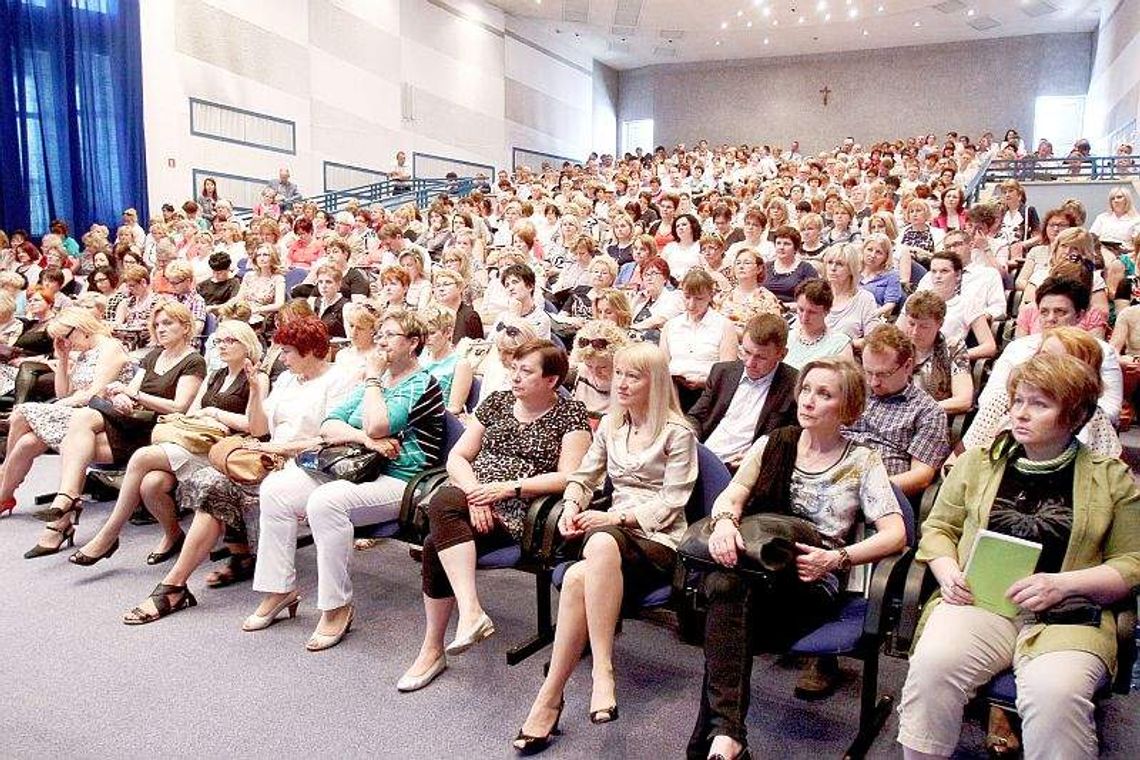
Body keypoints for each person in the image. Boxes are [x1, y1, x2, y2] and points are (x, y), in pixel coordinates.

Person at [896, 352, 1140, 760]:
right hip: (980, 600)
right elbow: (938, 529)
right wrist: (947, 570)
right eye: (1018, 401)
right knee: (933, 665)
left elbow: (1132, 562)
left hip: (1067, 613)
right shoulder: (977, 462)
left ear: (1075, 415)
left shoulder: (1111, 477)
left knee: (1056, 695)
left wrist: (1063, 584)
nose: (1021, 414)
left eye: (1039, 404)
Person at [687, 357, 907, 760]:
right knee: (727, 588)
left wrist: (837, 558)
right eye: (806, 389)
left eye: (824, 394)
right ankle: (726, 740)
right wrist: (723, 524)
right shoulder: (773, 443)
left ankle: (718, 737)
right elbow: (732, 496)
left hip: (812, 579)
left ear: (848, 406)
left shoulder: (862, 461)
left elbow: (896, 534)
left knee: (724, 601)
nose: (808, 400)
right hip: (760, 566)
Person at [514, 343, 698, 752]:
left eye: (634, 376)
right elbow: (583, 476)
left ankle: (600, 669)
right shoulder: (614, 425)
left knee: (597, 542)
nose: (622, 383)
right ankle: (550, 697)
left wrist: (613, 519)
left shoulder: (677, 433)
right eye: (618, 374)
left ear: (655, 383)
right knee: (580, 572)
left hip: (658, 540)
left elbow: (672, 503)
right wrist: (572, 505)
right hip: (609, 547)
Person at [120, 315, 356, 623]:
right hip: (270, 457)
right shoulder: (286, 379)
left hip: (308, 462)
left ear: (309, 350)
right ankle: (178, 584)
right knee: (213, 485)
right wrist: (257, 393)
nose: (281, 358)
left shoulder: (340, 379)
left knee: (216, 486)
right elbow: (259, 429)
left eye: (286, 351)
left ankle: (177, 586)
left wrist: (279, 448)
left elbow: (332, 436)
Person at [397, 340, 591, 692]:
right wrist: (476, 496)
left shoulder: (570, 413)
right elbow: (458, 457)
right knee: (440, 519)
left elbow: (569, 476)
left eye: (526, 371)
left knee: (434, 535)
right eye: (513, 369)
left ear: (551, 380)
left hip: (521, 511)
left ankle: (436, 646)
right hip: (472, 500)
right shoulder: (498, 401)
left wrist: (506, 489)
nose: (515, 377)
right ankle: (465, 617)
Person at [247, 309, 444, 649]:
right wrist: (366, 441)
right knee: (276, 489)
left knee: (326, 502)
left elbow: (380, 425)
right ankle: (280, 588)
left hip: (402, 481)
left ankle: (337, 606)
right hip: (358, 467)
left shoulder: (421, 382)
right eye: (378, 334)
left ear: (413, 344)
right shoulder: (381, 381)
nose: (380, 341)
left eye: (390, 335)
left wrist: (370, 383)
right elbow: (330, 423)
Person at [67, 321, 265, 565]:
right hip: (196, 440)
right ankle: (173, 535)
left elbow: (254, 426)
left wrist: (214, 413)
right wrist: (205, 414)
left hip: (224, 448)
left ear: (247, 344)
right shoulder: (216, 375)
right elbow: (191, 412)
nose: (222, 346)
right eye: (219, 341)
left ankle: (109, 534)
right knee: (152, 484)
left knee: (142, 457)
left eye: (229, 341)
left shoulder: (257, 377)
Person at [23, 302, 207, 558]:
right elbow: (130, 391)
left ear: (185, 327)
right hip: (131, 420)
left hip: (157, 429)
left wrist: (134, 395)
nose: (160, 329)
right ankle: (67, 501)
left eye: (168, 323)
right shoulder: (153, 355)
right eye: (157, 324)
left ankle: (65, 509)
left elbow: (178, 407)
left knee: (78, 429)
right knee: (77, 434)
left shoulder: (193, 361)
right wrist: (119, 395)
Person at [0, 309, 131, 517]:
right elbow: (63, 392)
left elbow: (95, 393)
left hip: (102, 414)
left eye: (65, 338)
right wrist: (63, 358)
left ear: (80, 328)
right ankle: (4, 497)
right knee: (27, 442)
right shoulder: (84, 352)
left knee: (21, 413)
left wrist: (56, 407)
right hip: (76, 410)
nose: (65, 343)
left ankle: (3, 473)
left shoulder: (110, 348)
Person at [980, 277, 1123, 426]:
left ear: (1079, 315)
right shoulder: (1017, 348)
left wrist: (1060, 421)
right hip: (1015, 424)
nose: (1050, 319)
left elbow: (1111, 408)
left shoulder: (1102, 350)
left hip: (1078, 428)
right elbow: (989, 398)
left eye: (1060, 312)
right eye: (1044, 312)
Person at [845, 324, 950, 498]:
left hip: (878, 495)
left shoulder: (928, 412)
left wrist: (868, 490)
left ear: (908, 366)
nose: (873, 382)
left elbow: (921, 477)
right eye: (868, 372)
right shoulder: (853, 393)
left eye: (883, 374)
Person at [687, 313, 799, 467]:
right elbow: (696, 417)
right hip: (701, 454)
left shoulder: (794, 386)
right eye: (746, 352)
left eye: (761, 357)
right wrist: (688, 435)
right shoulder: (723, 373)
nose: (750, 363)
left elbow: (792, 439)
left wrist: (759, 454)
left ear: (782, 354)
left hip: (746, 467)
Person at [660, 269, 738, 409]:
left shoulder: (724, 326)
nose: (691, 304)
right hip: (673, 390)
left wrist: (704, 382)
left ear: (710, 296)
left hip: (708, 392)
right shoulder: (671, 326)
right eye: (687, 297)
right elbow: (662, 366)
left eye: (699, 298)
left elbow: (727, 373)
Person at [898, 292, 973, 415]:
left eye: (924, 326)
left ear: (940, 324)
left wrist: (919, 411)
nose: (915, 332)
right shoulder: (896, 346)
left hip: (930, 418)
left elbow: (963, 400)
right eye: (911, 324)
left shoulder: (953, 347)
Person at [568, 319, 630, 420]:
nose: (594, 372)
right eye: (589, 366)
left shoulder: (626, 384)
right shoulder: (580, 371)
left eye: (602, 367)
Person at [785, 280, 854, 370]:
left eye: (812, 312)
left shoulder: (840, 344)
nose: (804, 317)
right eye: (801, 309)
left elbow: (847, 380)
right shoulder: (786, 338)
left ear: (826, 311)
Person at [824, 243, 880, 343]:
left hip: (846, 355)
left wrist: (846, 344)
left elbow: (872, 340)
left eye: (840, 264)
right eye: (829, 262)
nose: (833, 268)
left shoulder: (865, 299)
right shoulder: (817, 294)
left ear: (851, 269)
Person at [236, 243, 287, 330]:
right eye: (259, 255)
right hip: (244, 312)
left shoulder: (278, 279)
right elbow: (239, 298)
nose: (262, 258)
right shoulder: (249, 275)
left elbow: (279, 304)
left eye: (265, 255)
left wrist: (258, 309)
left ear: (273, 257)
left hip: (261, 316)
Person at [764, 226, 819, 303]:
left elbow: (812, 298)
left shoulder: (806, 269)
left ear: (795, 248)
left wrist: (788, 306)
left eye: (787, 244)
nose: (781, 247)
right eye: (778, 243)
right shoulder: (766, 267)